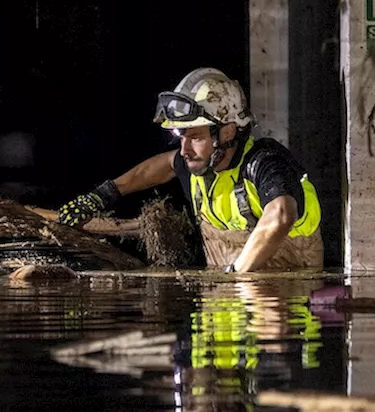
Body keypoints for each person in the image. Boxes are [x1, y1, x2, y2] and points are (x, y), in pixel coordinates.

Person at [57, 67, 323, 272]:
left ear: (227, 131)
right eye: (181, 137)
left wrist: (236, 274)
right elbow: (161, 166)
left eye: (195, 137)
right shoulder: (198, 165)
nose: (185, 150)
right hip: (220, 316)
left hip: (280, 309)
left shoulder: (265, 162)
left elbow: (280, 215)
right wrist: (105, 194)